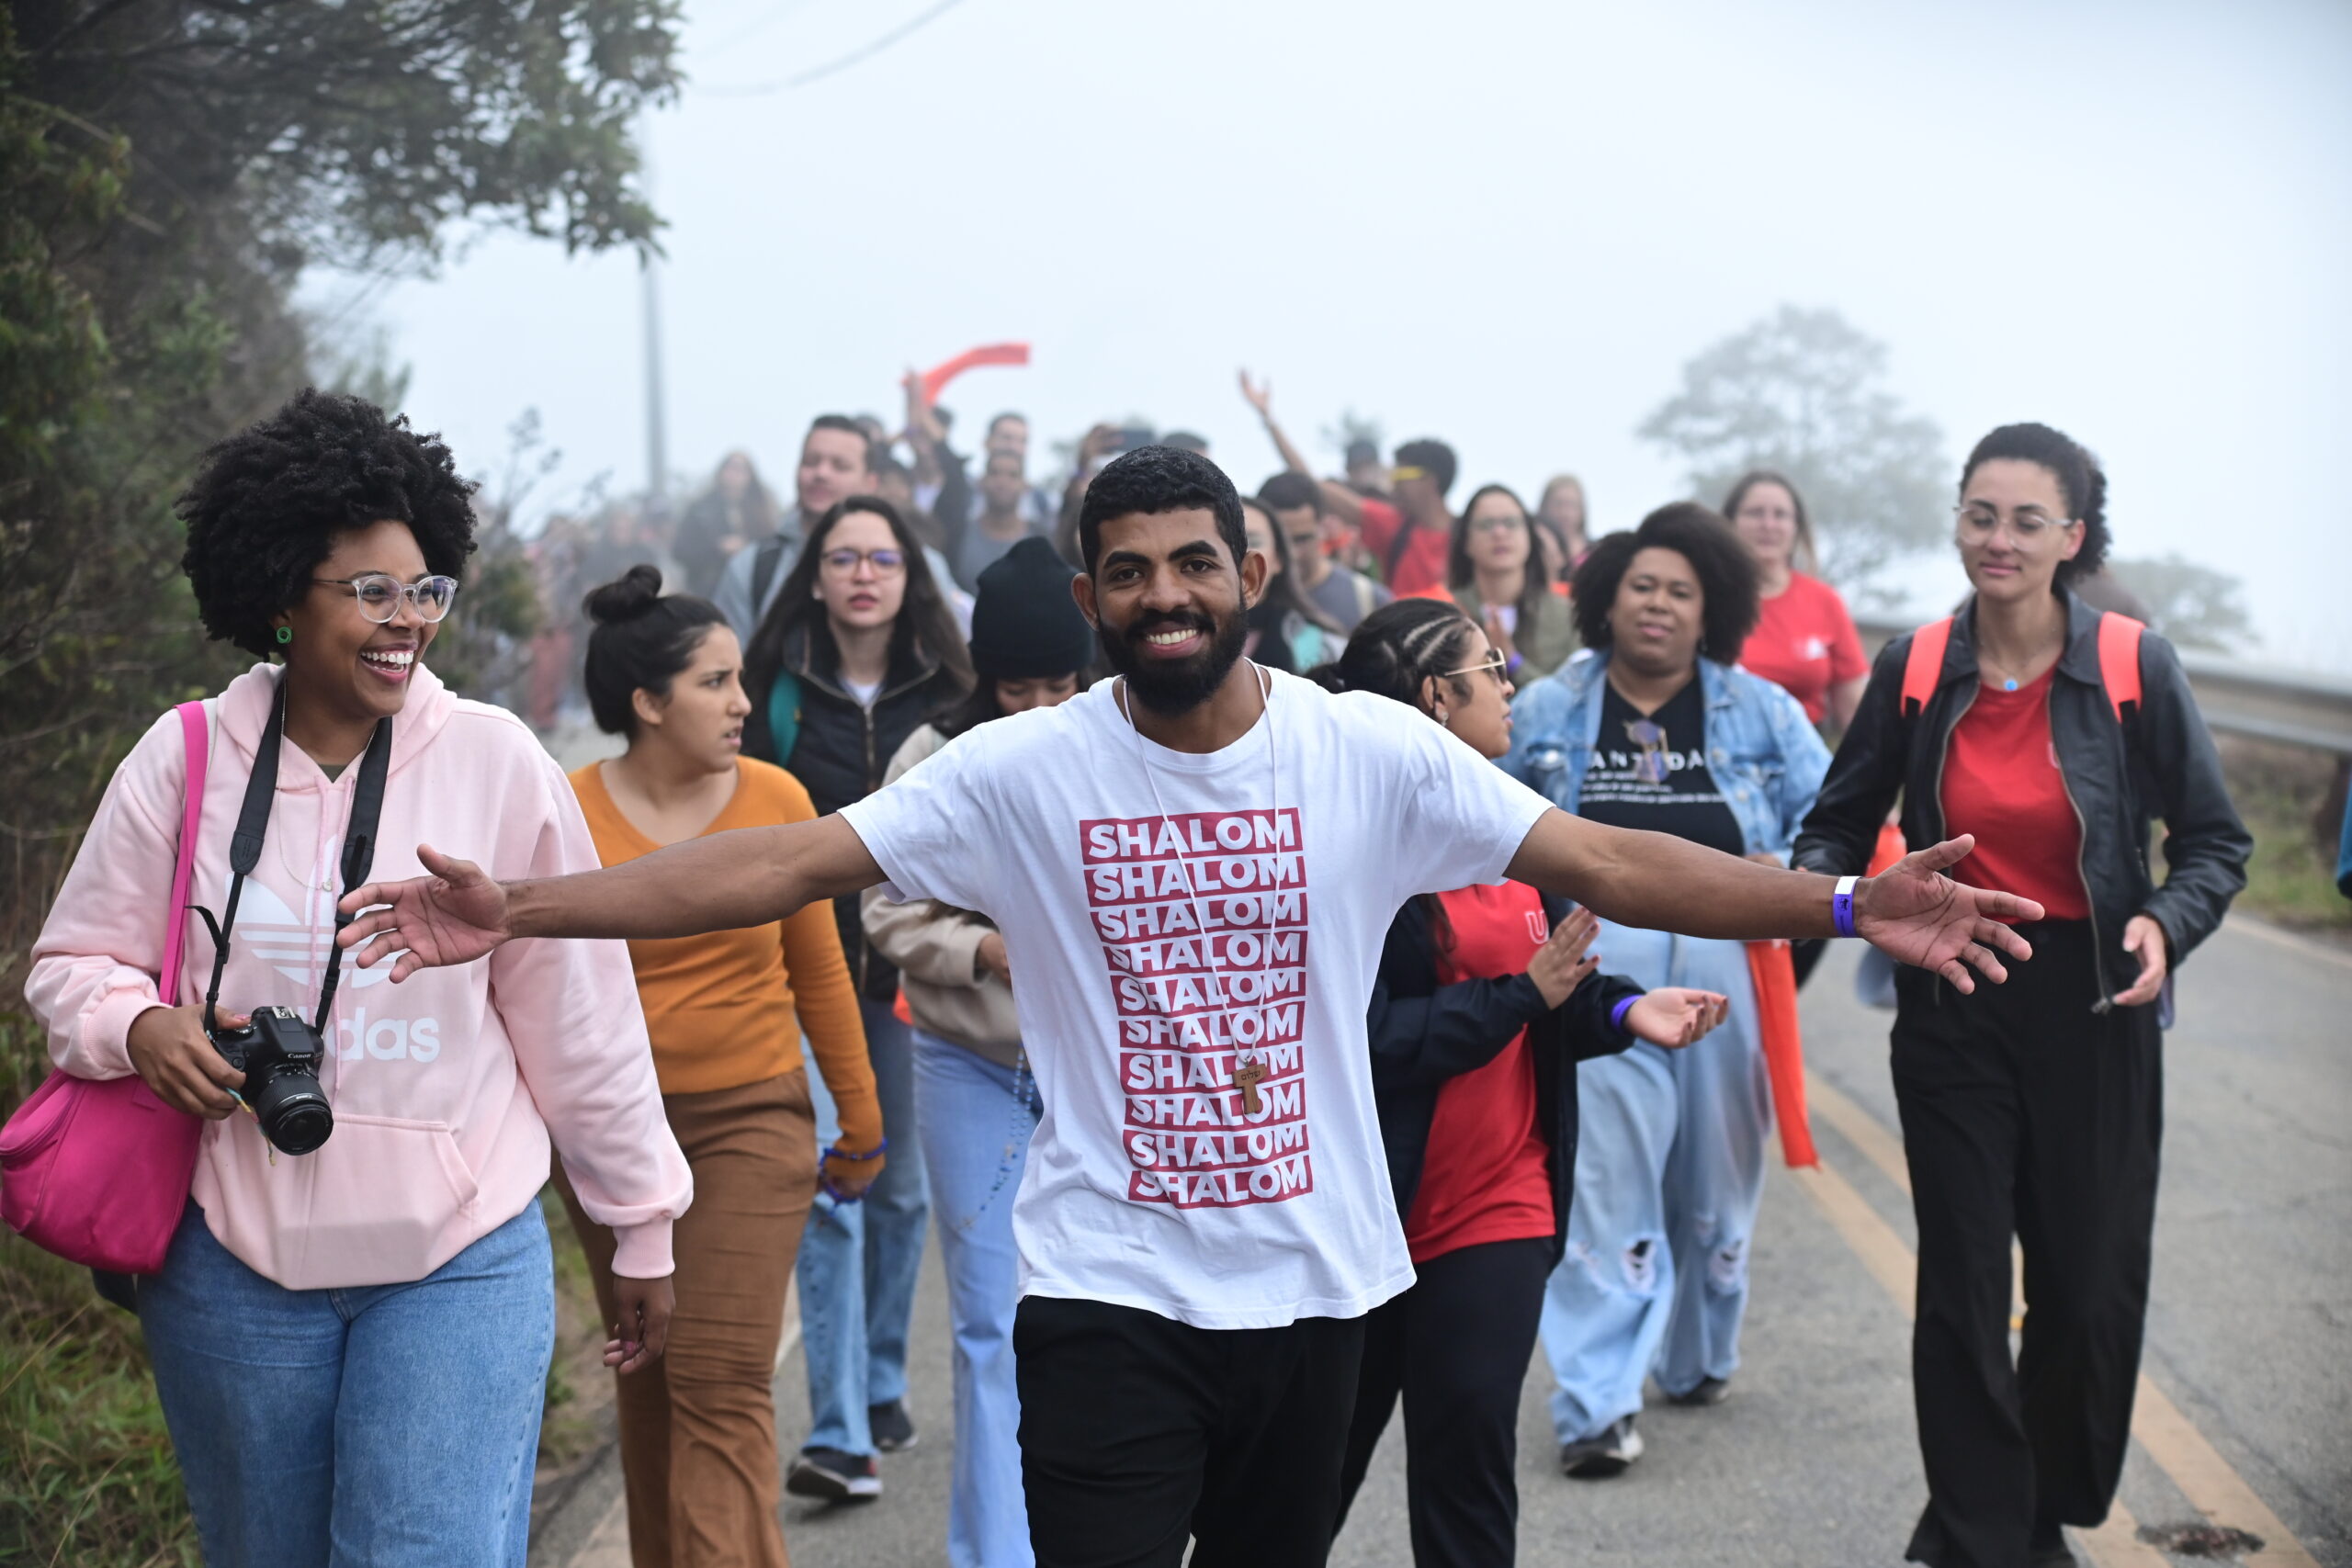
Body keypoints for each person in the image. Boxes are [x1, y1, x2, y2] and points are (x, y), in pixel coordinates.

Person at [340, 446, 2043, 1568]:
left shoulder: (1360, 747)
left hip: (1319, 1295)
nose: (1164, 593)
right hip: (1108, 1288)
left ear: (1247, 573)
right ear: (1089, 598)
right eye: (1129, 570)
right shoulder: (1024, 771)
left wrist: (1841, 897)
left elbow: (1605, 856)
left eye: (1191, 563)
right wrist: (524, 906)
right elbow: (774, 871)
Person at [26, 389, 691, 1565]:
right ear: (282, 596)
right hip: (229, 1262)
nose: (408, 621)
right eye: (371, 592)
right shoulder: (182, 759)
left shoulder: (493, 761)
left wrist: (639, 1223)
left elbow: (578, 1019)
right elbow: (73, 966)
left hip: (458, 1257)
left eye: (425, 590)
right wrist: (139, 1029)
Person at [1792, 423, 2251, 1568]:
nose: (1997, 539)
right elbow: (1834, 829)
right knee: (1959, 1282)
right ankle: (1984, 1531)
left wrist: (2163, 921)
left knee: (2084, 1292)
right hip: (1953, 1005)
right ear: (1956, 522)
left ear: (2071, 539)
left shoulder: (2136, 668)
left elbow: (2212, 842)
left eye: (2025, 520)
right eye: (1979, 514)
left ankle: (2038, 1499)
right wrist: (1855, 901)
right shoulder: (1912, 666)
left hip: (2095, 1013)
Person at [1320, 597, 1731, 1568]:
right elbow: (1366, 1037)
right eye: (1487, 667)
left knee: (1466, 1458)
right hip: (1361, 1222)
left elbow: (1558, 987)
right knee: (1303, 1485)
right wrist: (1519, 998)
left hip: (1498, 1208)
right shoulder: (1351, 857)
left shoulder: (1518, 838)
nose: (1509, 684)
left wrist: (1629, 1011)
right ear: (1434, 697)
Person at [1502, 502, 1831, 1477]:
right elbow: (1484, 819)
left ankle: (1696, 1356)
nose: (1657, 605)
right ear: (1605, 599)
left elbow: (1835, 819)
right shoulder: (1548, 709)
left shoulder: (1764, 710)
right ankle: (1597, 1404)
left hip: (1731, 957)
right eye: (1640, 585)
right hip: (1603, 966)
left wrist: (1787, 879)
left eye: (1680, 592)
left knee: (1716, 1188)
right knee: (1606, 1183)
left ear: (1711, 610)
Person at [562, 568, 883, 1567]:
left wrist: (861, 1120)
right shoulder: (565, 811)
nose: (744, 703)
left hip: (752, 1120)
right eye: (715, 683)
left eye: (739, 679)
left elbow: (819, 971)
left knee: (721, 1376)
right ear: (648, 703)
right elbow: (536, 988)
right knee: (649, 1381)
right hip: (610, 1141)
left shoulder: (776, 797)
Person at [861, 537, 1096, 1568]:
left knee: (1110, 1321)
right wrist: (980, 948)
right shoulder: (931, 757)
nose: (1040, 705)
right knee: (992, 1324)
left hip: (1101, 1071)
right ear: (980, 678)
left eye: (1060, 682)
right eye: (1016, 686)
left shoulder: (1124, 743)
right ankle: (992, 1555)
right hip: (969, 1066)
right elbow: (882, 909)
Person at [740, 493, 972, 1499]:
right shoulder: (772, 687)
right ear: (817, 572)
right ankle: (838, 1433)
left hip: (914, 978)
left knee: (904, 1188)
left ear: (910, 574)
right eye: (843, 558)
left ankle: (880, 1378)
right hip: (804, 973)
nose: (863, 574)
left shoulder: (950, 691)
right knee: (835, 1185)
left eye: (883, 557)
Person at [1237, 371, 1451, 592]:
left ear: (1430, 480)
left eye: (1400, 476)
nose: (1393, 485)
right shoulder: (1392, 525)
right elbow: (1312, 483)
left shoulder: (1468, 535)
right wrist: (1269, 420)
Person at [1722, 470, 1869, 732]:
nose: (1768, 524)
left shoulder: (1825, 601)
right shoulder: (1707, 598)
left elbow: (1854, 711)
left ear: (1796, 527)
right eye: (1755, 513)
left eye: (1780, 515)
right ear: (1730, 522)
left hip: (1803, 757)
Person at [713, 415, 877, 642]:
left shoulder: (915, 565)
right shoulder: (751, 567)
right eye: (810, 462)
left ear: (870, 483)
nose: (821, 474)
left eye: (840, 466)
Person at [1441, 483, 1580, 680]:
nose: (1499, 533)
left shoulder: (1567, 617)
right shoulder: (1446, 614)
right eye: (1486, 525)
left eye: (1511, 523)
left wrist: (1513, 661)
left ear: (1529, 536)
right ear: (1466, 541)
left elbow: (1574, 698)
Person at [1259, 471, 1390, 634]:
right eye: (1281, 541)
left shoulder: (1369, 600)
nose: (1293, 553)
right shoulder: (1244, 603)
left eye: (1302, 539)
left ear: (1323, 527)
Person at [1239, 494, 1346, 672]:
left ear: (1279, 559)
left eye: (1253, 542)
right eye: (1225, 542)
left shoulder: (1325, 648)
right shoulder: (1183, 639)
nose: (1239, 554)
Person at [675, 452, 783, 599]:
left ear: (750, 476)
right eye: (730, 468)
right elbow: (680, 550)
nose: (734, 475)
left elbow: (772, 548)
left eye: (740, 470)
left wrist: (748, 547)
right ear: (721, 472)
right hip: (710, 591)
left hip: (752, 590)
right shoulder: (701, 510)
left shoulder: (761, 512)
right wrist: (719, 548)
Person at [1538, 475, 1591, 568]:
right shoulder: (1532, 549)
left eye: (1571, 505)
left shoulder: (1595, 551)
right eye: (1558, 504)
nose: (1565, 513)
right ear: (1545, 506)